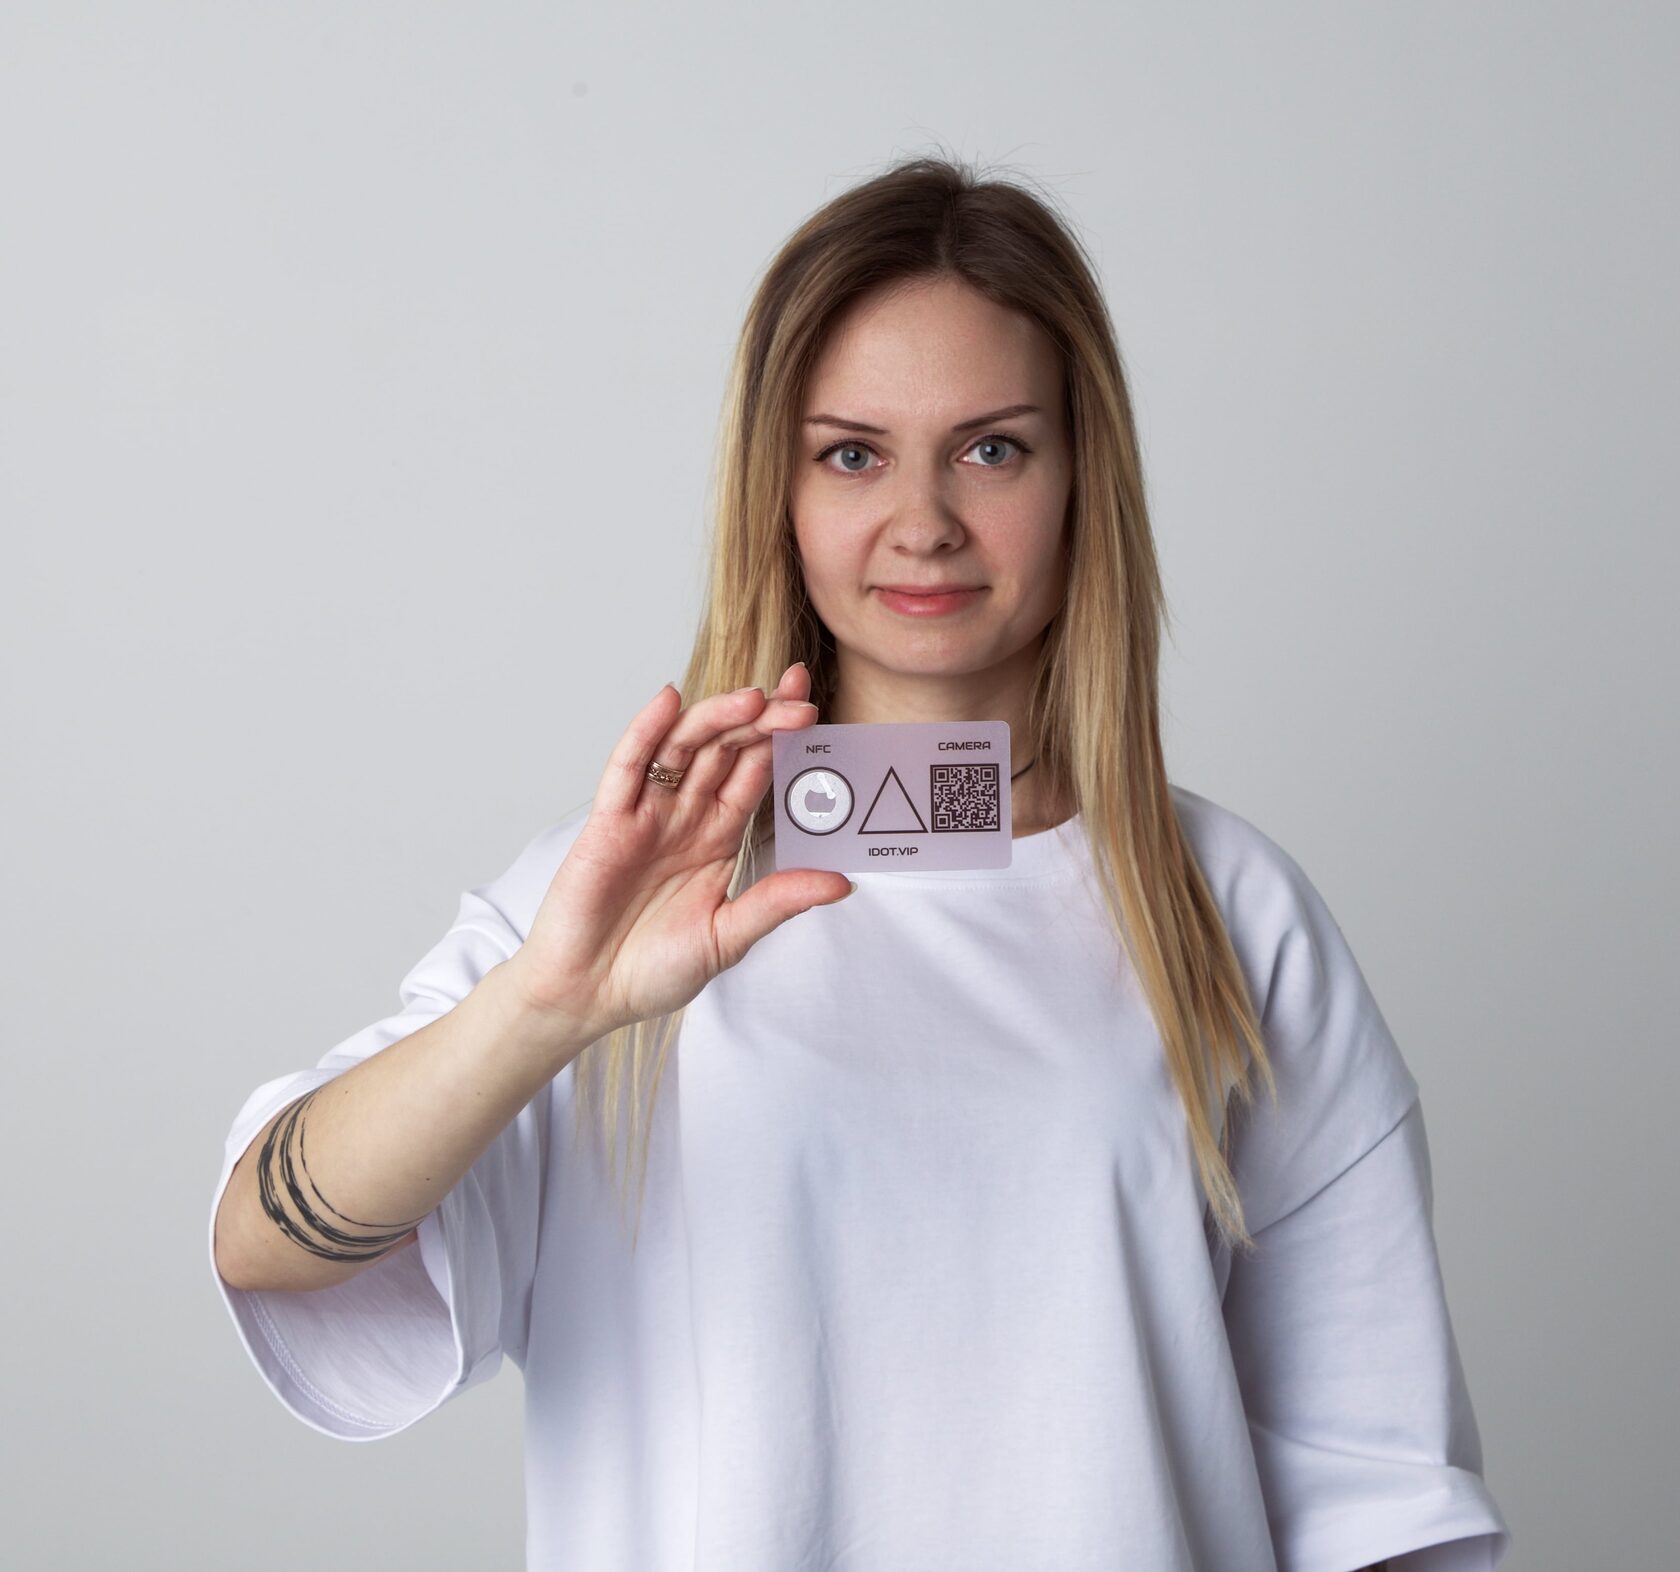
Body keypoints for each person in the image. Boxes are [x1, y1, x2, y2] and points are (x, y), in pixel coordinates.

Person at [208, 155, 1511, 1571]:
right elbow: (264, 1246)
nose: (925, 522)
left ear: (1084, 478)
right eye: (851, 454)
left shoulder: (1230, 910)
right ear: (776, 491)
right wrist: (547, 1006)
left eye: (992, 450)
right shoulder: (608, 911)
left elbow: (1379, 1487)